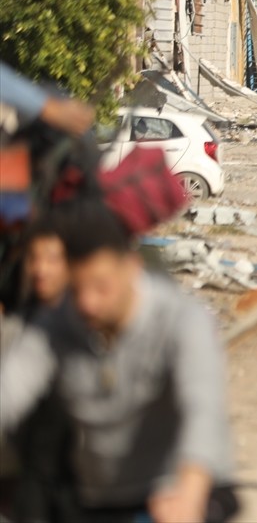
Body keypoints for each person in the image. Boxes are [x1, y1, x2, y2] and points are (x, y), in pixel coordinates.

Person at [0, 202, 239, 522]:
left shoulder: (181, 320)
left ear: (132, 268)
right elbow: (10, 390)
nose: (87, 302)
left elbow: (202, 409)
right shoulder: (56, 323)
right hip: (100, 497)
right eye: (78, 288)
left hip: (179, 489)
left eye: (101, 286)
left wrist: (190, 491)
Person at [7, 226, 75, 523]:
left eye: (52, 258)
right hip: (28, 476)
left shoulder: (93, 325)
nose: (41, 269)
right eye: (33, 258)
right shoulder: (17, 326)